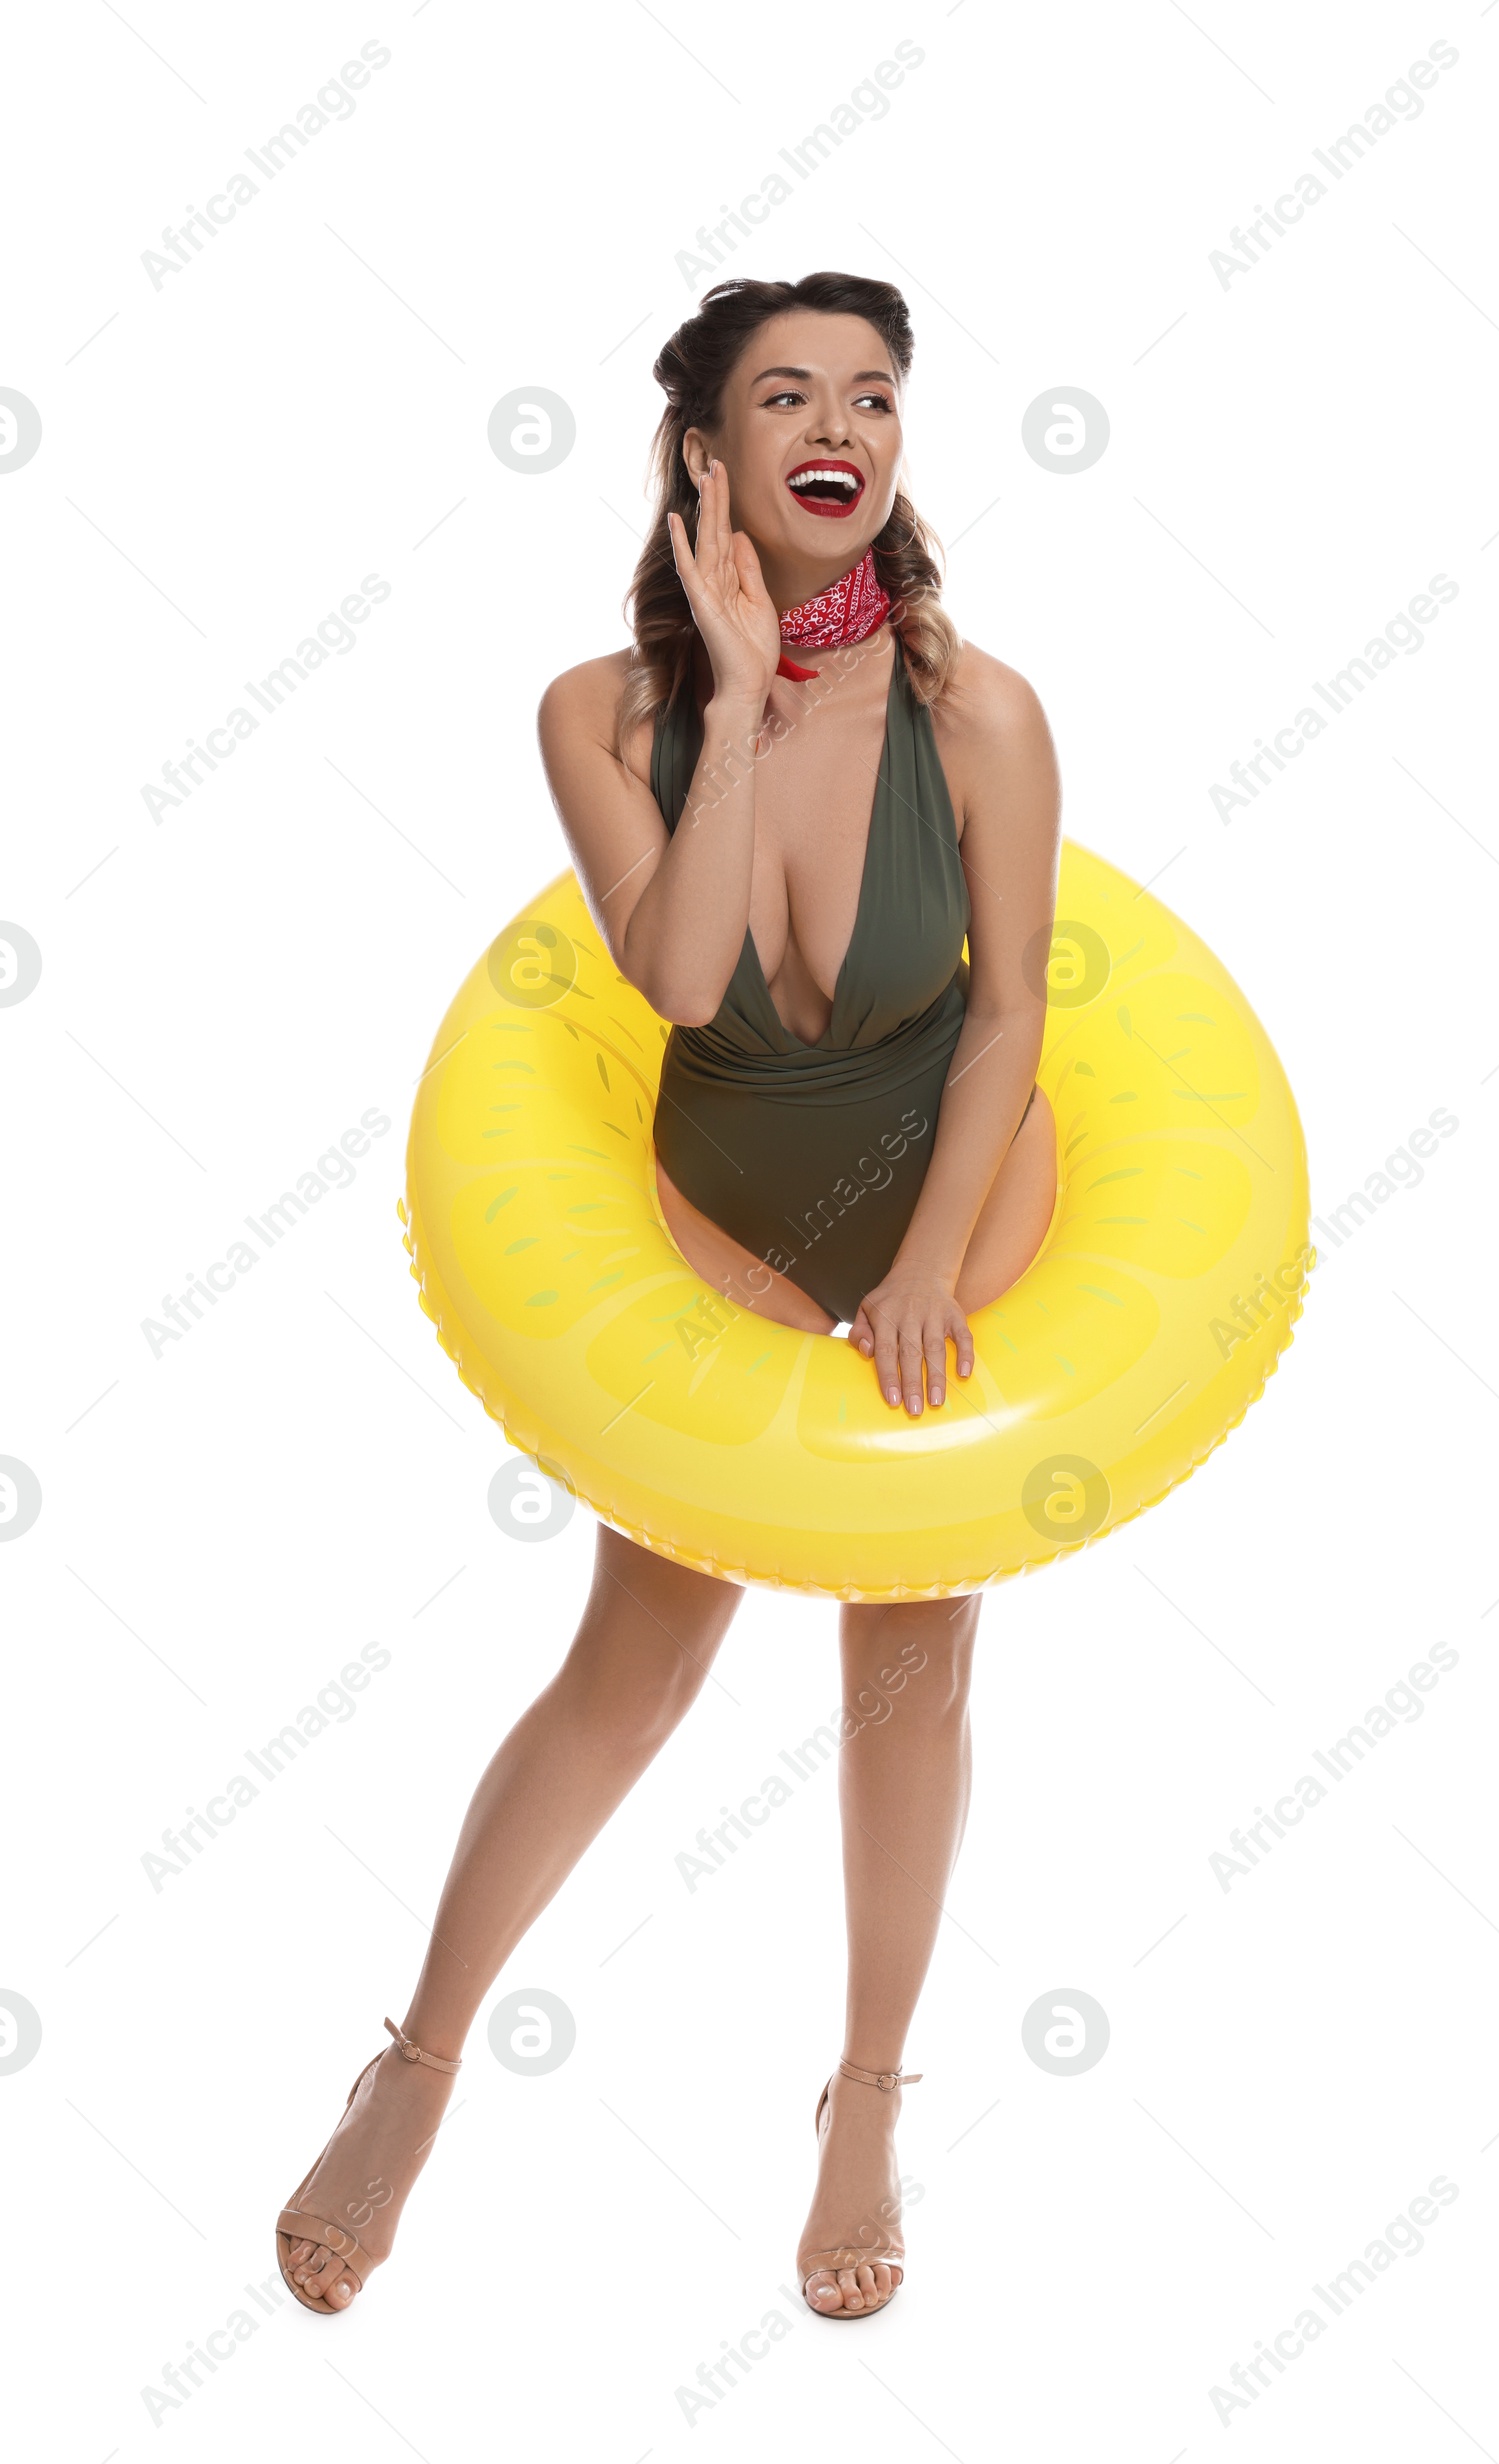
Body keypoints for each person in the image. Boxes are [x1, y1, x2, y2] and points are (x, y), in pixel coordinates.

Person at [276, 271, 1060, 2322]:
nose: (843, 424)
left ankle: (867, 2099)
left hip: (938, 1201)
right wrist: (725, 689)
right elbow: (687, 980)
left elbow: (1004, 1026)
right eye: (789, 394)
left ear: (896, 443)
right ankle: (415, 2061)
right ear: (705, 455)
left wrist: (914, 1269)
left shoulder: (976, 710)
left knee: (909, 1665)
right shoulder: (599, 712)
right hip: (723, 1206)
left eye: (874, 394)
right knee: (632, 1662)